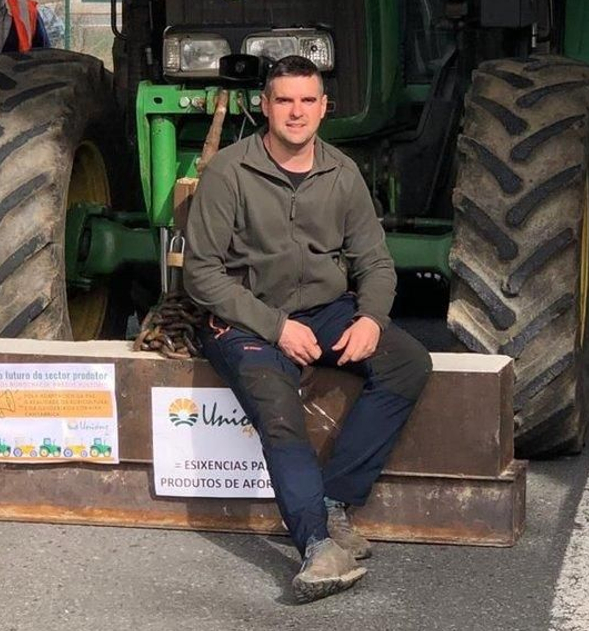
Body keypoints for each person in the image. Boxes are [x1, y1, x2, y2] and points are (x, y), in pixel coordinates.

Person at [182, 55, 433, 602]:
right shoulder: (229, 172)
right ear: (265, 106)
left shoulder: (342, 174)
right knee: (279, 412)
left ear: (323, 107)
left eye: (307, 101)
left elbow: (375, 262)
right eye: (284, 100)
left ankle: (335, 501)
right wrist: (276, 328)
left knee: (408, 363)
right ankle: (317, 547)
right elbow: (201, 275)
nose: (296, 112)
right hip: (246, 314)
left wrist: (371, 318)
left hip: (326, 308)